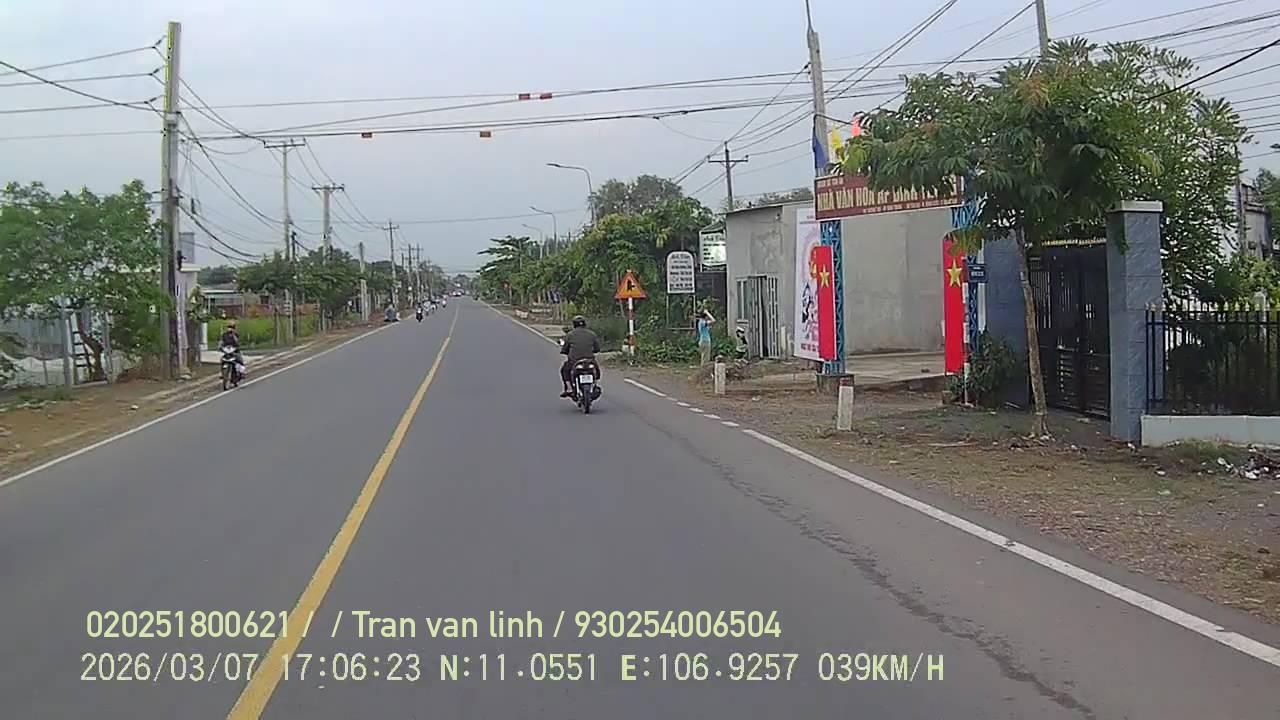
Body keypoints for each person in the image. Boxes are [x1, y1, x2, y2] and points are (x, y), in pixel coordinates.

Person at [559, 315, 600, 397]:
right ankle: (595, 385)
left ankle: (569, 388)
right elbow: (597, 348)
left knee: (564, 370)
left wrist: (565, 352)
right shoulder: (592, 334)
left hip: (574, 361)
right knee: (597, 371)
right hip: (589, 361)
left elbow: (565, 349)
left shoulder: (570, 335)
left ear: (574, 324)